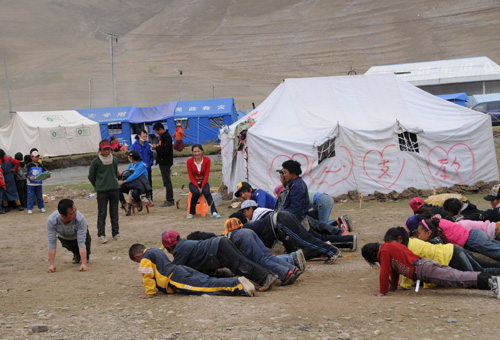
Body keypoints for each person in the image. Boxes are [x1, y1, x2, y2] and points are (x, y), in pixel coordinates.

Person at [361, 241, 500, 298]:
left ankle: (492, 282)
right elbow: (394, 271)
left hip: (423, 270)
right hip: (425, 264)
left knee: (458, 278)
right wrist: (393, 288)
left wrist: (382, 291)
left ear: (372, 257)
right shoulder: (389, 247)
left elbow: (385, 272)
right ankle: (491, 282)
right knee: (459, 275)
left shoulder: (383, 252)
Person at [384, 227, 500, 290]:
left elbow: (410, 267)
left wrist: (404, 286)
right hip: (452, 250)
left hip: (451, 255)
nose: (388, 247)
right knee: (483, 266)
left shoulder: (408, 248)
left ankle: (494, 282)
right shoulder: (411, 241)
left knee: (477, 274)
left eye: (389, 243)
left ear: (399, 239)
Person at [161, 230, 279, 291]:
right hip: (219, 243)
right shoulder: (185, 244)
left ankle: (265, 278)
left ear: (170, 248)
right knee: (243, 261)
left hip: (218, 249)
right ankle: (270, 275)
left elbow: (173, 271)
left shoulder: (180, 250)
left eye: (168, 250)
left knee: (241, 265)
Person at [129, 243, 255, 298]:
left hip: (175, 277)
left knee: (204, 286)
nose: (140, 263)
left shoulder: (145, 258)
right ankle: (239, 282)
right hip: (180, 269)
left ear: (138, 257)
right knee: (206, 280)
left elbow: (147, 276)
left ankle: (237, 285)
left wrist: (149, 292)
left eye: (137, 262)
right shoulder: (155, 250)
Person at [241, 199, 357, 251]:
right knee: (316, 237)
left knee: (311, 241)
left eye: (245, 212)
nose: (246, 215)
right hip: (294, 218)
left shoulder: (257, 215)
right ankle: (348, 240)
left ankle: (333, 249)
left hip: (292, 220)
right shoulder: (262, 211)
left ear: (250, 208)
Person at [222, 218, 303, 285]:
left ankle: (285, 274)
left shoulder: (231, 235)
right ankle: (293, 269)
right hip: (250, 233)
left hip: (243, 237)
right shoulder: (246, 230)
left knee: (261, 260)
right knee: (268, 257)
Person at [243, 210, 342, 263]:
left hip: (281, 221)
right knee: (295, 250)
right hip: (282, 219)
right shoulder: (248, 227)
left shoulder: (245, 230)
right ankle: (325, 248)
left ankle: (332, 251)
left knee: (305, 240)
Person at [407, 213, 500, 262]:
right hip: (475, 234)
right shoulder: (438, 222)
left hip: (473, 239)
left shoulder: (439, 234)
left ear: (427, 231)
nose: (418, 237)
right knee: (496, 250)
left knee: (496, 252)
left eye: (418, 233)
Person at [88, 139, 121, 244]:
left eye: (108, 149)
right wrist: (98, 185)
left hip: (114, 189)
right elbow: (91, 176)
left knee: (114, 212)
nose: (106, 151)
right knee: (102, 213)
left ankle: (116, 233)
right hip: (102, 191)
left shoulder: (114, 160)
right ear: (100, 149)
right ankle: (101, 235)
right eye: (104, 149)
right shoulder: (96, 162)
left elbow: (115, 173)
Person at [47, 199, 91, 272]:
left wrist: (84, 264)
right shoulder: (52, 220)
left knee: (85, 243)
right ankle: (76, 254)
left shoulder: (80, 218)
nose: (75, 214)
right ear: (63, 216)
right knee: (70, 246)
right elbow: (52, 242)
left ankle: (86, 255)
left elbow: (81, 242)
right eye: (71, 213)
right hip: (64, 236)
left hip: (77, 235)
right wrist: (51, 265)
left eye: (75, 210)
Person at [186, 144, 221, 218]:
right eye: (195, 152)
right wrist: (197, 187)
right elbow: (191, 177)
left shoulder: (207, 160)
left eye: (198, 151)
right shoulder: (189, 161)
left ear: (202, 151)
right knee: (196, 192)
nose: (197, 153)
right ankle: (191, 213)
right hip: (193, 183)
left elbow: (206, 175)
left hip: (204, 182)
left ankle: (214, 212)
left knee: (207, 192)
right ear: (192, 152)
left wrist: (202, 187)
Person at [118, 150, 152, 215]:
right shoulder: (131, 165)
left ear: (131, 157)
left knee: (135, 193)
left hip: (140, 185)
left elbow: (135, 175)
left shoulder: (141, 165)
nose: (127, 157)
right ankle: (124, 204)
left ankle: (138, 202)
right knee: (118, 188)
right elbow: (128, 173)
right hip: (131, 184)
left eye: (128, 156)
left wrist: (124, 181)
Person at [151, 122, 175, 207]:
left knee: (167, 181)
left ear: (160, 129)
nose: (156, 133)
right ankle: (169, 199)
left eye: (157, 131)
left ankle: (170, 199)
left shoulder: (166, 137)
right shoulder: (163, 137)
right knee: (166, 181)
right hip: (163, 162)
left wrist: (156, 148)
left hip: (165, 162)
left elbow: (165, 150)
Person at [130, 129, 155, 201]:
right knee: (138, 184)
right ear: (139, 135)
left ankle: (150, 199)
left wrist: (150, 164)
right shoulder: (134, 146)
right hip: (138, 169)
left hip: (147, 169)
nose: (145, 136)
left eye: (146, 134)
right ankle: (139, 199)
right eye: (143, 134)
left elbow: (152, 155)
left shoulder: (148, 145)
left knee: (148, 183)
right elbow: (131, 158)